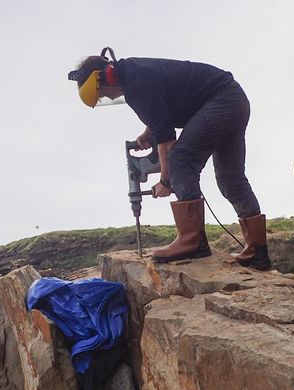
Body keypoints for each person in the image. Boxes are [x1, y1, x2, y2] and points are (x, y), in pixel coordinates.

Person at [68, 48, 271, 270]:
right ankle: (257, 252)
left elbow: (167, 142)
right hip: (235, 100)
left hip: (221, 100)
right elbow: (159, 113)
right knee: (231, 179)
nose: (108, 97)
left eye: (103, 93)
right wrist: (148, 133)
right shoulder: (134, 73)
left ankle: (192, 241)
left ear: (107, 77)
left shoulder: (135, 85)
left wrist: (166, 180)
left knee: (180, 158)